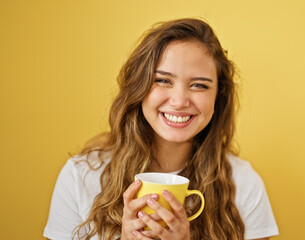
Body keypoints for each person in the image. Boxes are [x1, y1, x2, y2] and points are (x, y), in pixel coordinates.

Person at [44, 18, 279, 240]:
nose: (179, 101)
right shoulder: (80, 176)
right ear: (139, 87)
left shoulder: (245, 184)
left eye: (199, 85)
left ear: (219, 97)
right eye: (163, 80)